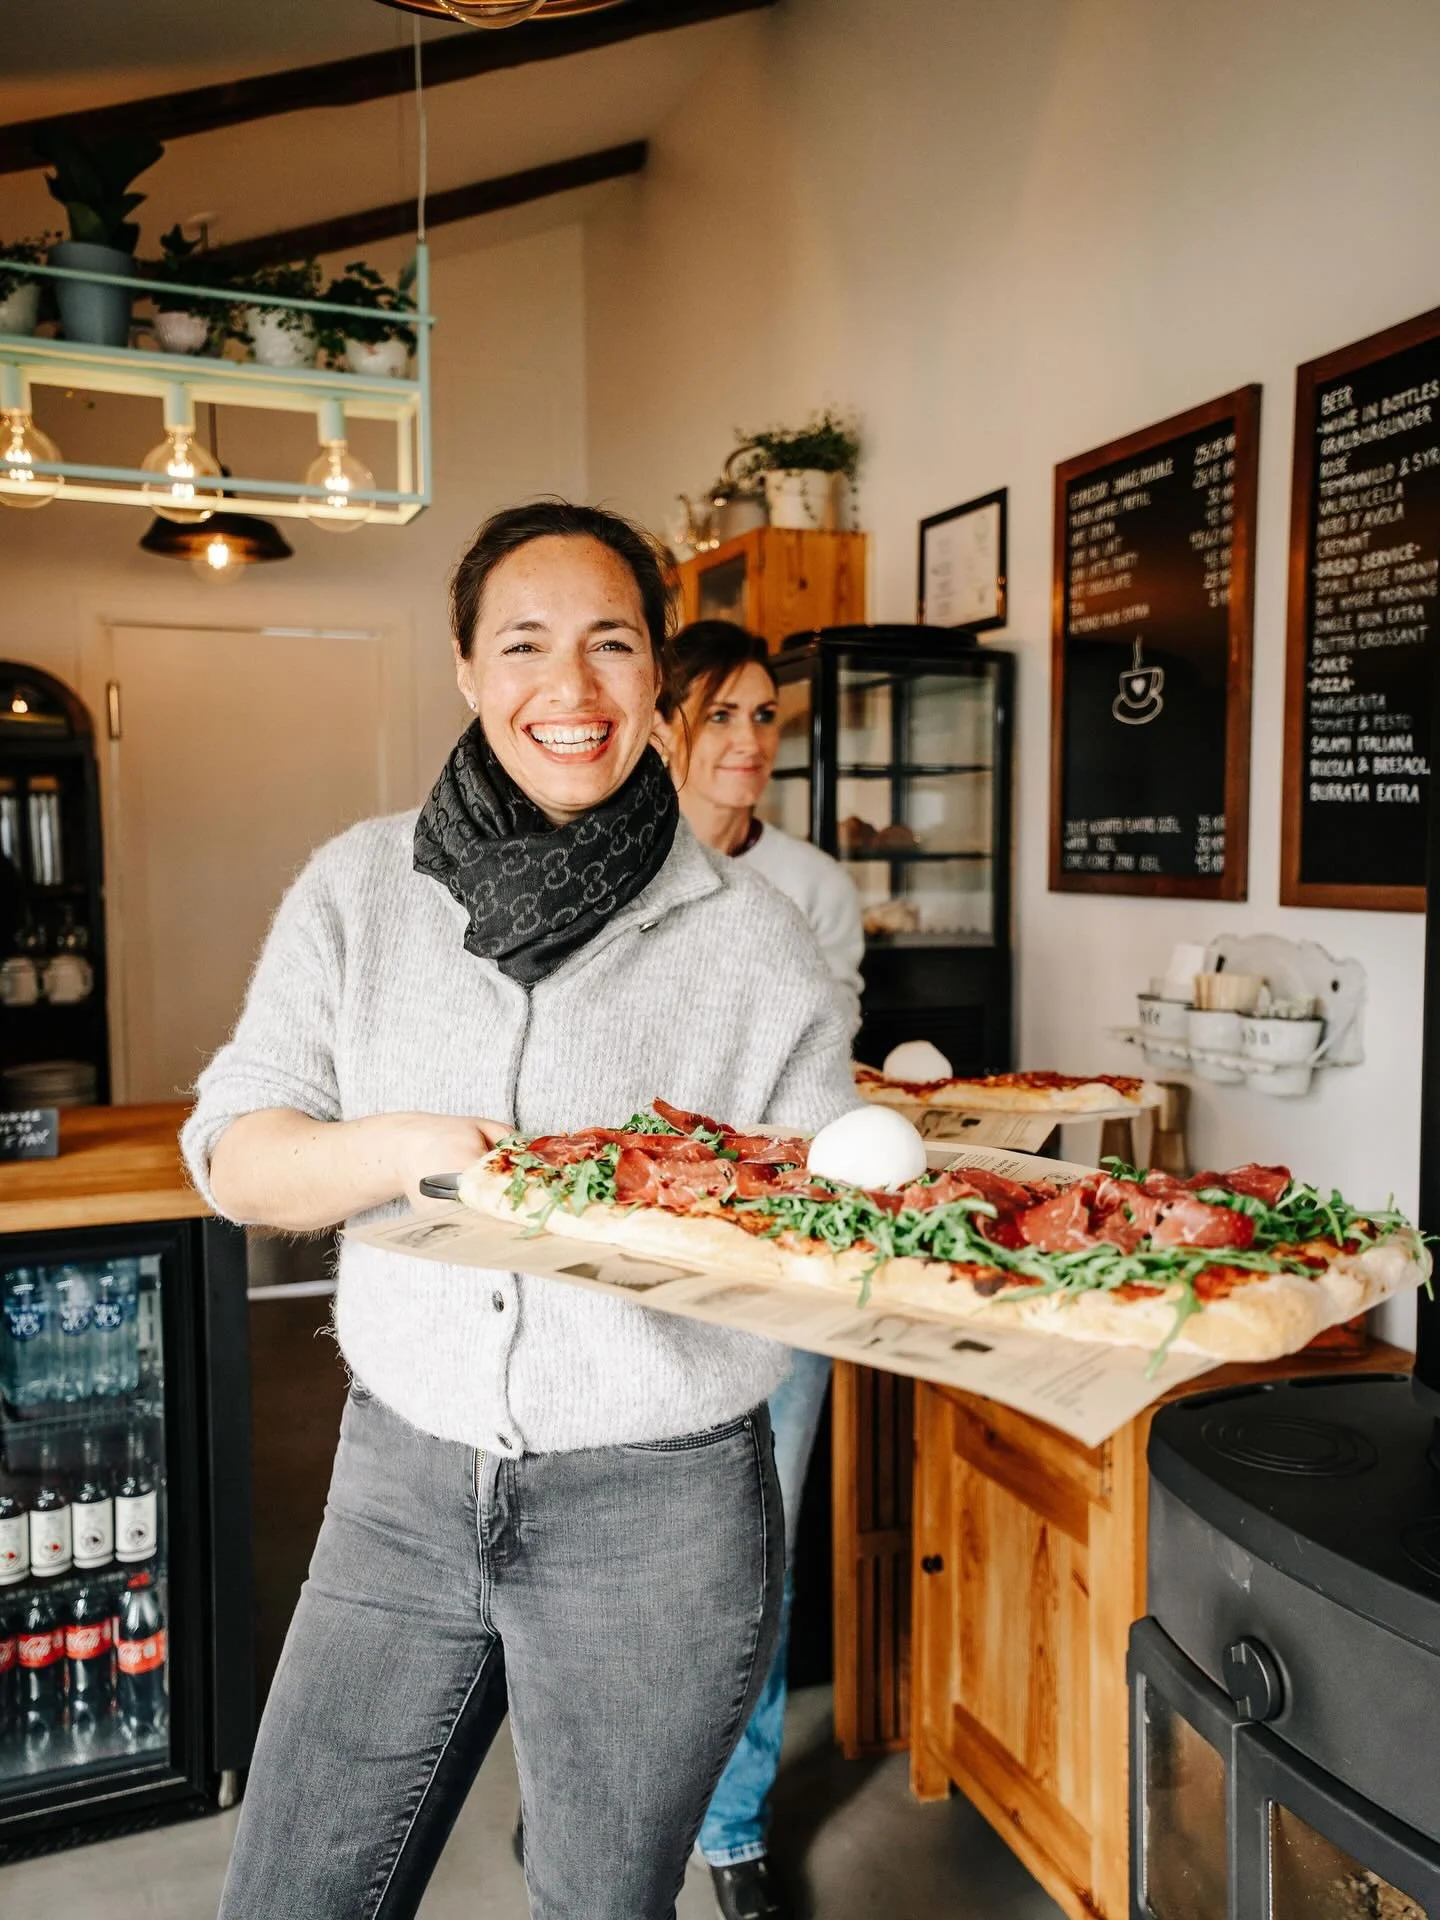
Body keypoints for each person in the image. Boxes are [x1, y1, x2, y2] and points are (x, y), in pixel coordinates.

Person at [182, 505, 857, 1920]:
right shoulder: (359, 889)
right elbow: (236, 1150)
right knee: (290, 1899)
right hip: (400, 1492)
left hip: (659, 1512)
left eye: (612, 646)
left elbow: (805, 1244)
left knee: (598, 1907)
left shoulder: (755, 944)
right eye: (526, 644)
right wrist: (398, 1149)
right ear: (466, 668)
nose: (572, 687)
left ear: (656, 678)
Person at [656, 620, 864, 1920]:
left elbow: (811, 1073)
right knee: (616, 1544)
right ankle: (613, 1795)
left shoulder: (815, 888)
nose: (746, 743)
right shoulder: (613, 866)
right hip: (638, 1260)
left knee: (759, 1548)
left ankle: (730, 1830)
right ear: (668, 722)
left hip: (783, 1260)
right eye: (722, 715)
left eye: (764, 719)